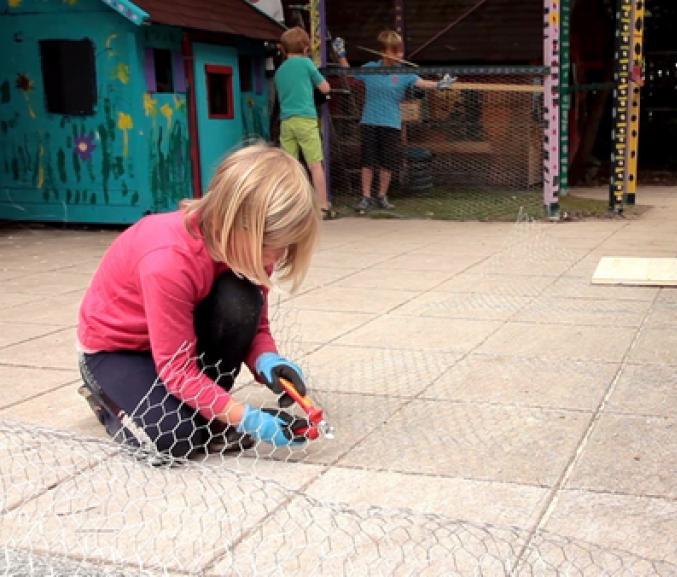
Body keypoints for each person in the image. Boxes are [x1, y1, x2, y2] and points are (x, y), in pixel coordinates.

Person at [77, 144, 320, 459]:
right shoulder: (168, 261)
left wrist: (267, 361)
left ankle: (202, 414)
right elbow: (177, 368)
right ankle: (104, 395)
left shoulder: (251, 248)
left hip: (176, 342)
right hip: (119, 350)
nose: (276, 256)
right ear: (235, 223)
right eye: (271, 245)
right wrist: (246, 418)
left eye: (285, 245)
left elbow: (254, 325)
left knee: (239, 300)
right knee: (172, 439)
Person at [343, 30, 455, 212]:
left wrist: (440, 84)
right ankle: (365, 197)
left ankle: (382, 196)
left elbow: (421, 83)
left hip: (391, 124)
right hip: (369, 122)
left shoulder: (404, 72)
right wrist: (341, 54)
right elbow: (348, 73)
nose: (399, 55)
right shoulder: (370, 68)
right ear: (383, 51)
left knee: (387, 163)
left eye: (400, 51)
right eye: (394, 51)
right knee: (368, 161)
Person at [274, 26, 335, 220]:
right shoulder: (307, 64)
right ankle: (323, 205)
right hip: (305, 119)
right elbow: (325, 88)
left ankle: (288, 206)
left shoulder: (280, 71)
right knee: (315, 164)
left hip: (286, 121)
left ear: (284, 49)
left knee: (289, 165)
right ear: (306, 48)